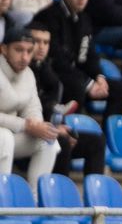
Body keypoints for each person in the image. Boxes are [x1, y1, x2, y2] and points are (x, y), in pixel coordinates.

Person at [33, 0, 122, 122]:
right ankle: (76, 132)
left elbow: (90, 55)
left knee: (121, 89)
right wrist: (88, 84)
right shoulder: (50, 16)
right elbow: (57, 59)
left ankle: (108, 135)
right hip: (55, 75)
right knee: (77, 85)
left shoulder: (84, 19)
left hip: (77, 76)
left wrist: (99, 77)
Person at [27, 21, 105, 177]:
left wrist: (60, 127)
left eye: (46, 42)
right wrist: (55, 130)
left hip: (48, 130)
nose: (42, 46)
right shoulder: (24, 71)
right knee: (62, 142)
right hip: (28, 132)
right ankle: (59, 197)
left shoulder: (49, 71)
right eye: (37, 41)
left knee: (96, 142)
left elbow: (50, 106)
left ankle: (97, 199)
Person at [0, 27, 59, 195]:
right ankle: (3, 201)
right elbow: (23, 124)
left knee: (48, 139)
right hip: (4, 137)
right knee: (4, 137)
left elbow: (33, 107)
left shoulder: (28, 74)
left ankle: (36, 203)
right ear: (4, 49)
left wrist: (36, 124)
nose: (25, 57)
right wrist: (25, 125)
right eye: (19, 50)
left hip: (10, 135)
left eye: (29, 51)